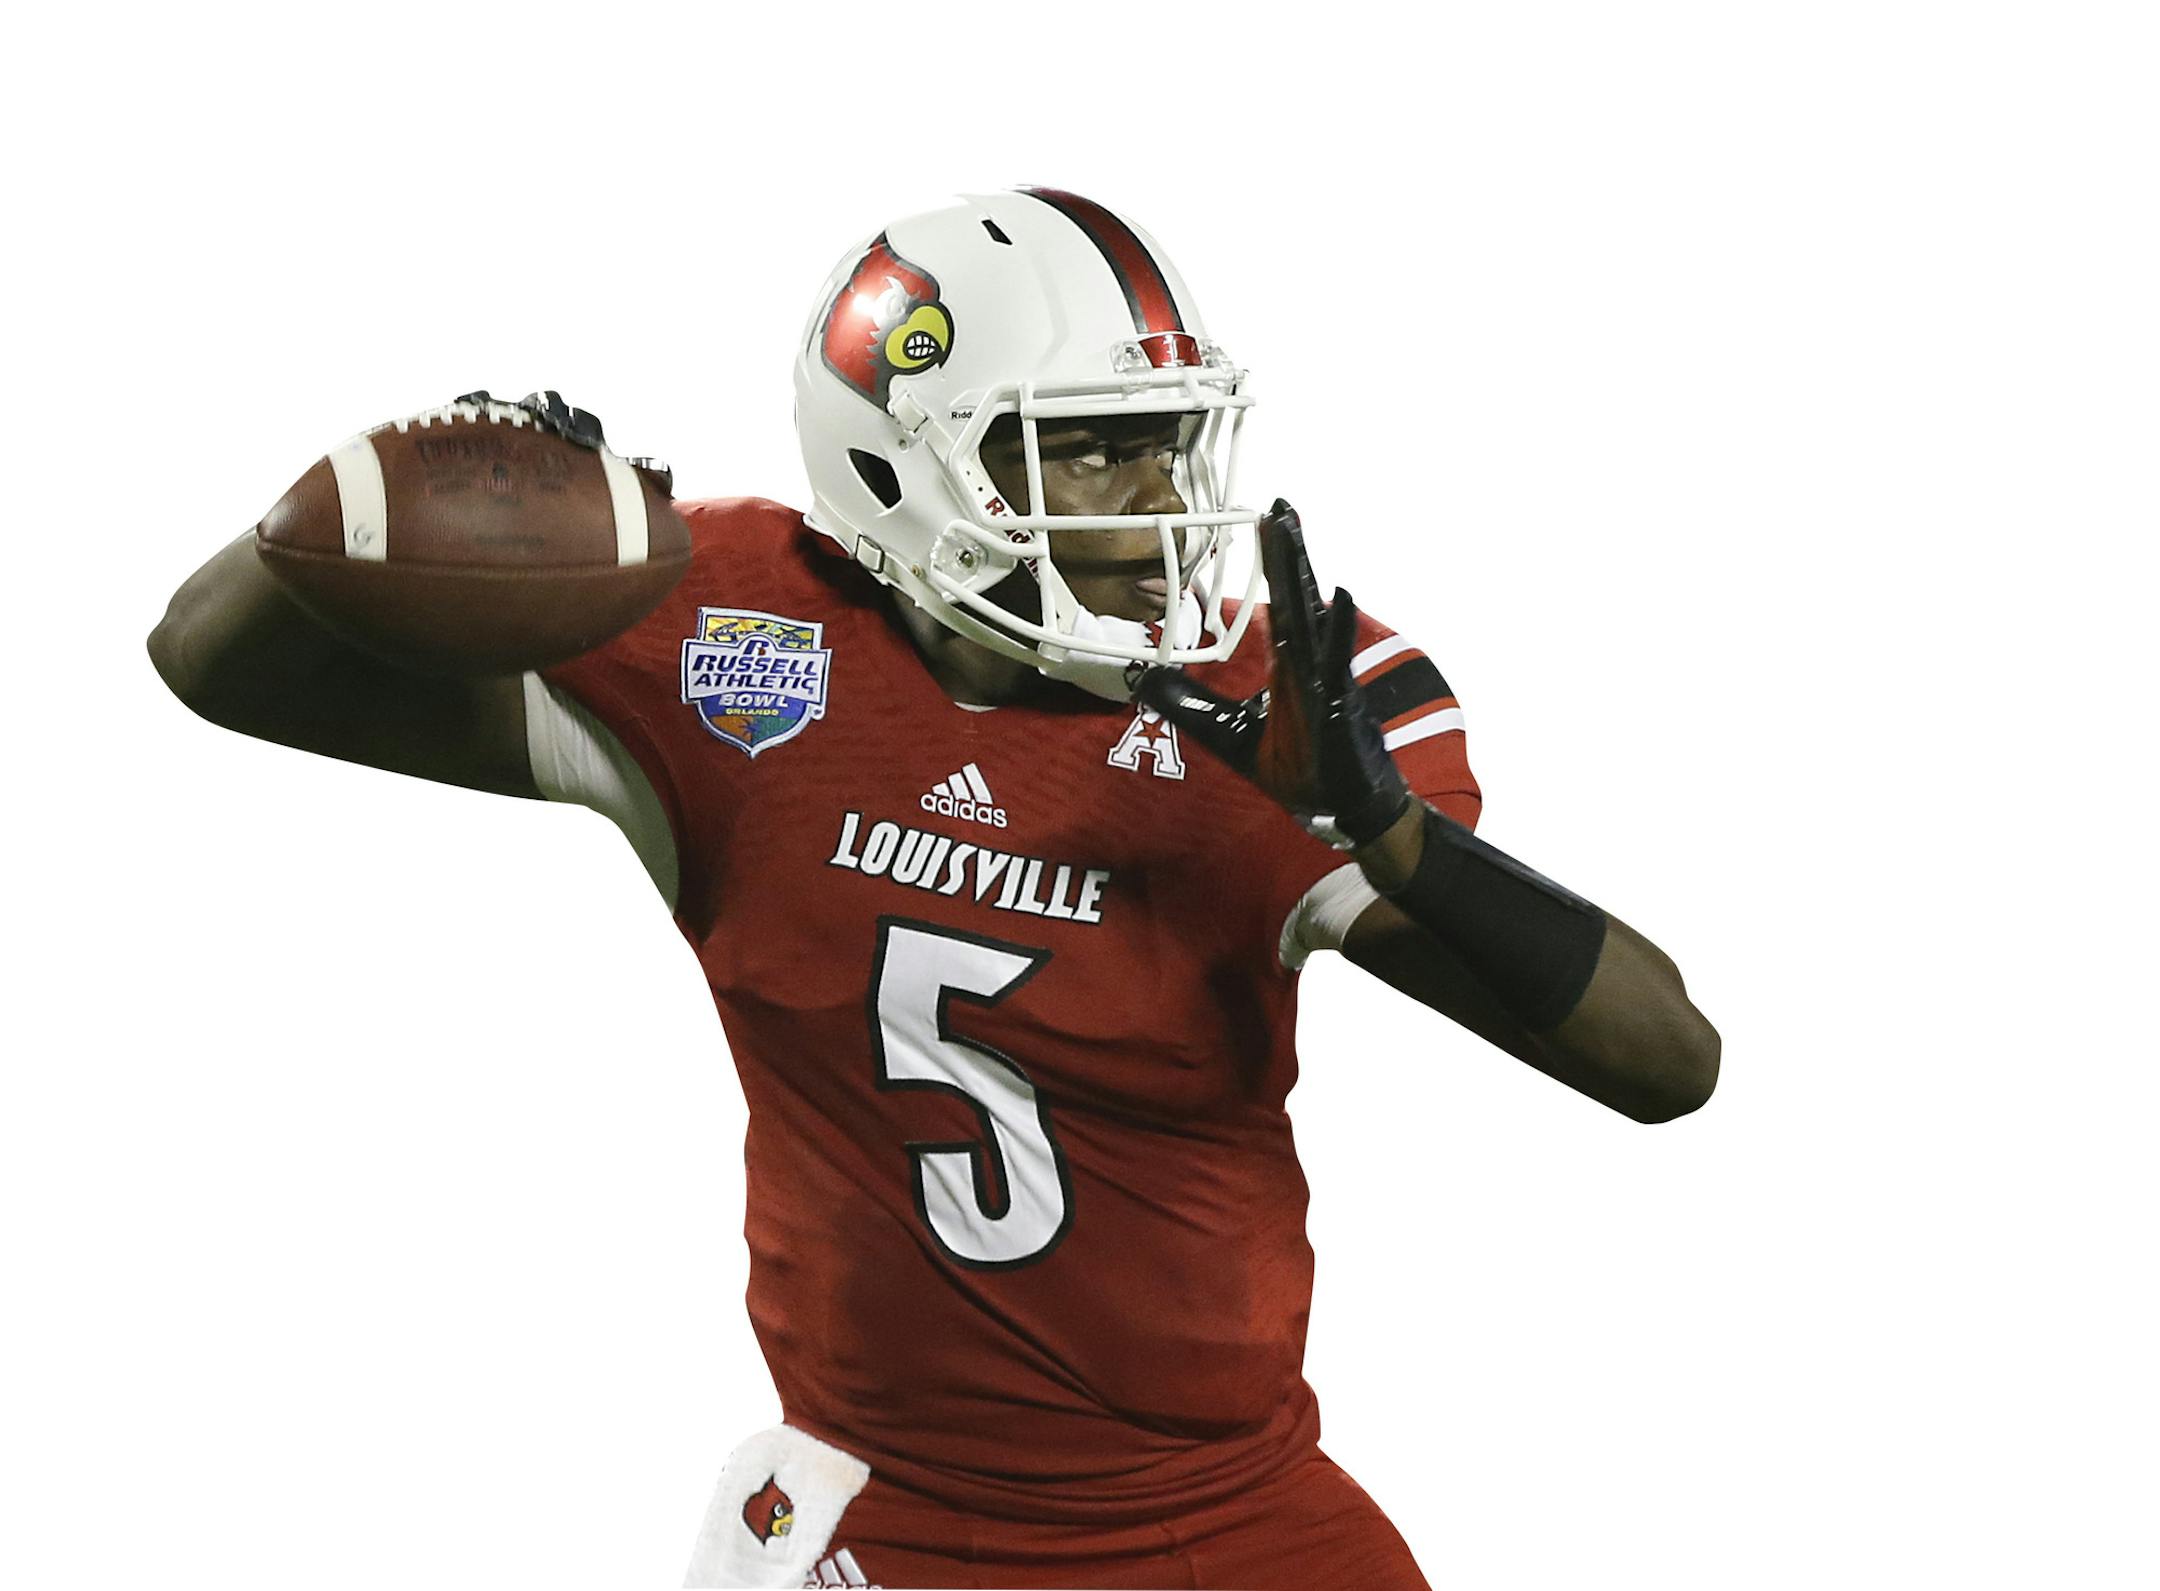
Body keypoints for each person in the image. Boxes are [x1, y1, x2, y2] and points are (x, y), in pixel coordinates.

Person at [148, 187, 1719, 1591]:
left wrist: (1387, 831)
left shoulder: (1279, 709)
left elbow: (1667, 1064)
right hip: (873, 1514)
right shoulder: (737, 644)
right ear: (909, 474)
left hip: (1219, 1521)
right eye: (1089, 448)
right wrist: (396, 477)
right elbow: (215, 662)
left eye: (1168, 441)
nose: (1157, 505)